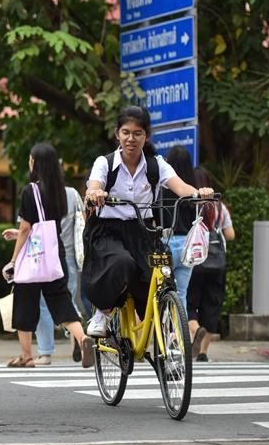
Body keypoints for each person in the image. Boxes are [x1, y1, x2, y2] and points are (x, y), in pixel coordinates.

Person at [83, 106, 214, 338]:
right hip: (107, 233)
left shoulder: (156, 165)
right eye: (126, 132)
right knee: (121, 263)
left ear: (146, 136)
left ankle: (169, 343)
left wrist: (199, 194)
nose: (131, 139)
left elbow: (181, 187)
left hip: (142, 231)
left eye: (137, 133)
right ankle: (102, 313)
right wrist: (96, 193)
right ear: (117, 134)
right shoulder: (104, 163)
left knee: (160, 278)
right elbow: (94, 185)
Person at [0, 143, 94, 369]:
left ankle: (27, 357)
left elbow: (25, 228)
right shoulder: (62, 191)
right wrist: (20, 233)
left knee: (24, 302)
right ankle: (82, 339)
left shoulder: (30, 190)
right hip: (54, 251)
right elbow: (43, 225)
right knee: (61, 298)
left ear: (34, 162)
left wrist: (13, 261)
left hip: (33, 256)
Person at [187, 168, 235, 361]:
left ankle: (195, 329)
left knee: (189, 302)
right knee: (212, 305)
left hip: (195, 262)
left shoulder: (189, 204)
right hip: (217, 264)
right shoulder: (219, 207)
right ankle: (203, 353)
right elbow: (230, 235)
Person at [158, 145, 198, 313]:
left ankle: (160, 330)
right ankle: (178, 334)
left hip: (165, 243)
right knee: (181, 293)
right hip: (187, 246)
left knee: (158, 292)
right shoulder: (192, 190)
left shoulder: (161, 190)